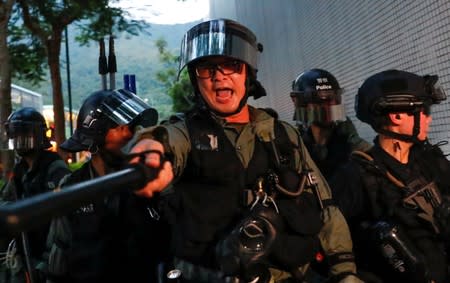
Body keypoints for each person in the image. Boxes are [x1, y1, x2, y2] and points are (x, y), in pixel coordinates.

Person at [130, 19, 361, 283]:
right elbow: (162, 142)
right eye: (206, 68)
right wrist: (149, 152)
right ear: (196, 79)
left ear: (247, 74)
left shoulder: (283, 134)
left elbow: (326, 207)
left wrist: (345, 272)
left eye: (231, 65)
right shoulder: (185, 133)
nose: (219, 76)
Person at [330, 69, 450, 283]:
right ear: (396, 116)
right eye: (423, 110)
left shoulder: (431, 161)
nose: (428, 118)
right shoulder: (354, 176)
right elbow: (331, 240)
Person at [43, 89, 163, 283]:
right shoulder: (71, 187)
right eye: (121, 126)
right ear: (96, 135)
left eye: (133, 126)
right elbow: (58, 253)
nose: (131, 133)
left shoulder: (152, 181)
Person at [0, 107, 71, 283]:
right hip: (26, 254)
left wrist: (49, 263)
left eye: (24, 134)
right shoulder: (20, 170)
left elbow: (62, 222)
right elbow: (6, 202)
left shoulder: (55, 168)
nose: (18, 140)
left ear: (38, 135)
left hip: (48, 257)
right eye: (15, 134)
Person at [290, 68, 372, 180]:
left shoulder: (352, 145)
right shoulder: (294, 145)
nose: (332, 105)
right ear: (301, 104)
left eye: (334, 98)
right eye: (321, 100)